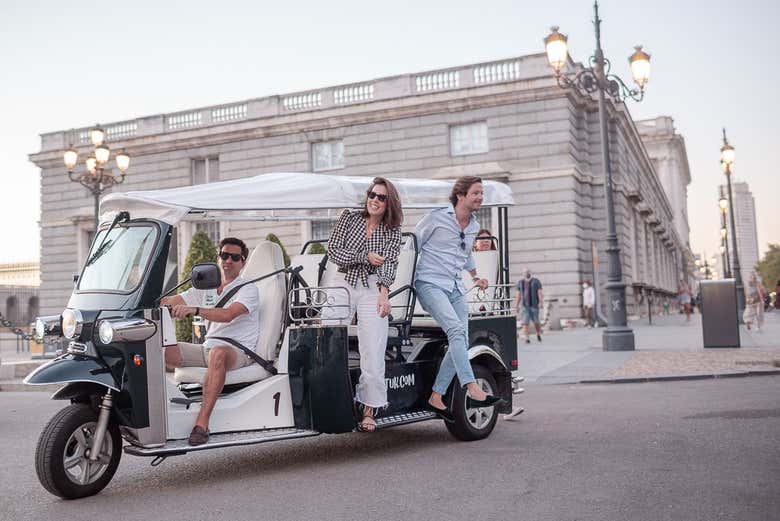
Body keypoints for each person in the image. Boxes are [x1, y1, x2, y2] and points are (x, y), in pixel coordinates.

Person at [414, 175, 506, 422]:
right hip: (429, 283)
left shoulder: (474, 226)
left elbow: (465, 254)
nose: (480, 198)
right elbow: (413, 245)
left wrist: (475, 276)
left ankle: (436, 395)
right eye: (476, 193)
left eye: (482, 193)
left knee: (461, 339)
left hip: (454, 286)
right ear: (460, 195)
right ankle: (472, 386)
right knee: (455, 330)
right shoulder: (436, 218)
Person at [321, 177, 403, 432]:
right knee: (328, 336)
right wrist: (364, 257)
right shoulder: (349, 217)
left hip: (372, 286)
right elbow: (334, 251)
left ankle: (370, 408)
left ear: (389, 203)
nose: (375, 200)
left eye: (381, 197)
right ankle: (327, 397)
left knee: (373, 347)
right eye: (372, 195)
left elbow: (389, 263)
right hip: (342, 280)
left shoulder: (392, 230)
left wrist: (384, 294)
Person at [161, 237, 259, 446]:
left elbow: (228, 315)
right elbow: (174, 300)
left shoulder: (248, 289)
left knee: (218, 353)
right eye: (224, 255)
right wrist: (155, 300)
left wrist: (194, 310)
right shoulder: (206, 287)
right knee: (159, 351)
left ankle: (202, 424)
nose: (228, 261)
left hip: (237, 351)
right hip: (208, 348)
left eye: (235, 257)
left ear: (243, 263)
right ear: (218, 258)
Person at [515, 269, 543, 343]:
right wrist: (517, 306)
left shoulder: (536, 281)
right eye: (525, 272)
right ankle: (527, 338)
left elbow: (539, 292)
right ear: (523, 274)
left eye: (528, 272)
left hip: (534, 305)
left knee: (536, 322)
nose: (526, 273)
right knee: (525, 322)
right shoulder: (520, 282)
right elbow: (518, 295)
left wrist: (540, 302)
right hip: (524, 306)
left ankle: (538, 333)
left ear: (530, 273)